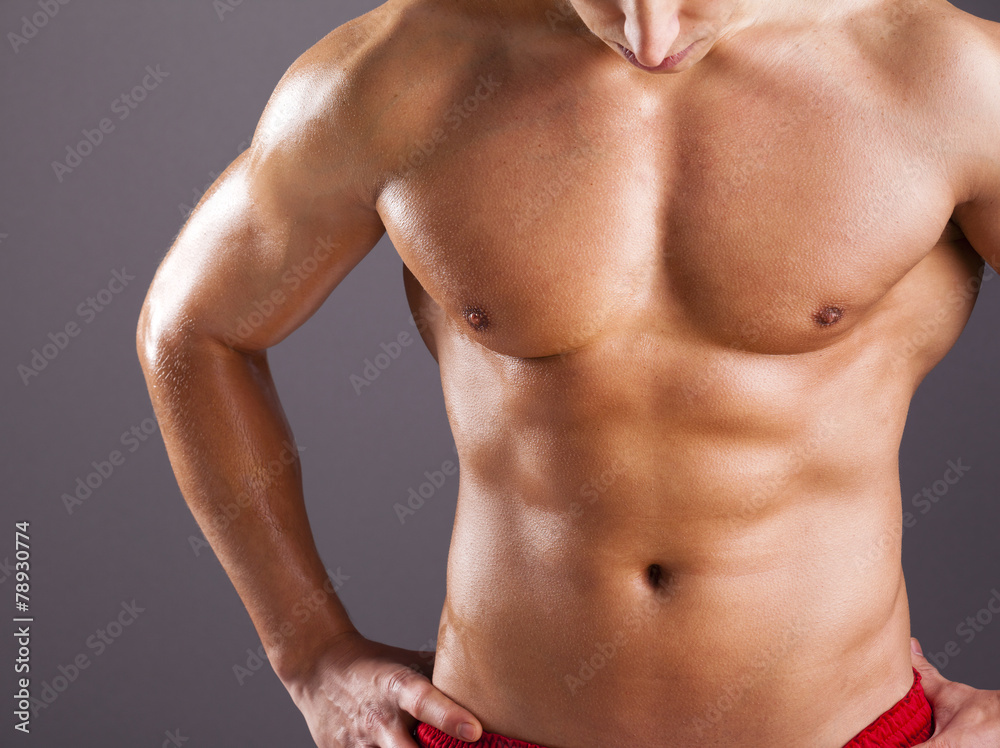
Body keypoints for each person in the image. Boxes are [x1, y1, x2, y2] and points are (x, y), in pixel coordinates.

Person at [136, 0, 1000, 745]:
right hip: (496, 732)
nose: (650, 35)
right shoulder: (408, 71)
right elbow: (193, 328)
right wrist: (309, 652)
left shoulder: (942, 80)